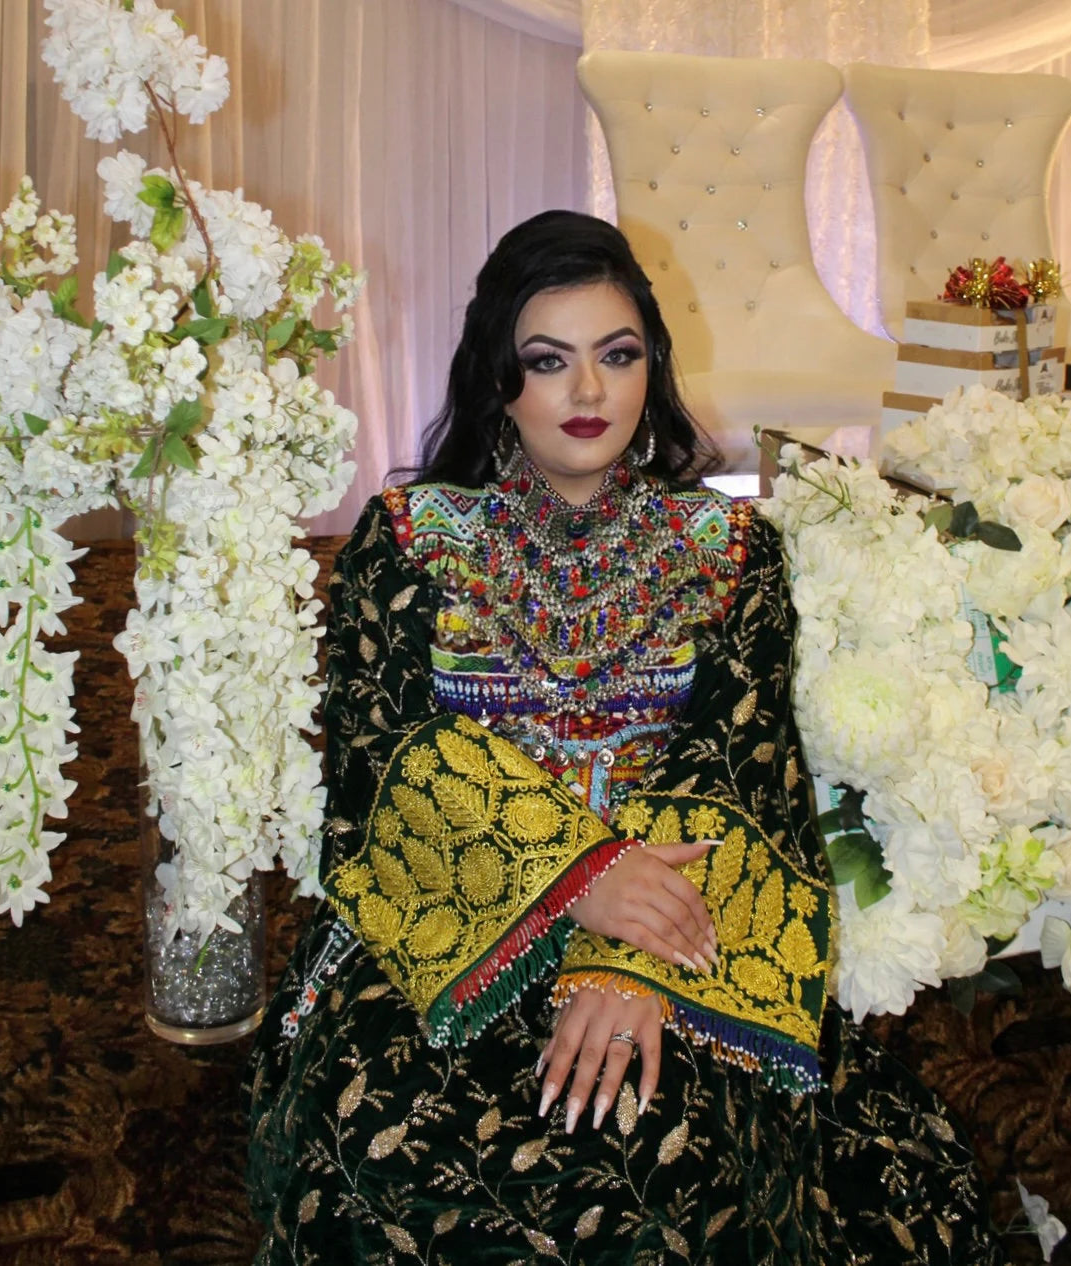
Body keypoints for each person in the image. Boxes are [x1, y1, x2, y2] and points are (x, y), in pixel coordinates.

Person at [245, 210, 1003, 1264]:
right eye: (548, 361)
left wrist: (629, 957)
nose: (589, 392)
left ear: (653, 364)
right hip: (442, 915)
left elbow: (740, 767)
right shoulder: (411, 540)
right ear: (499, 376)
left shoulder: (728, 548)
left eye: (618, 354)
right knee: (394, 1166)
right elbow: (383, 756)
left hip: (673, 934)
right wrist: (575, 875)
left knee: (677, 1174)